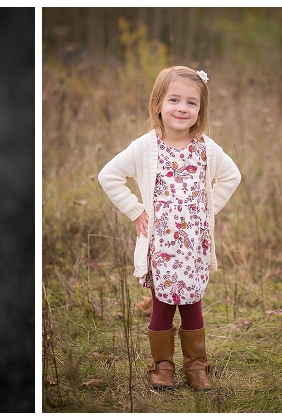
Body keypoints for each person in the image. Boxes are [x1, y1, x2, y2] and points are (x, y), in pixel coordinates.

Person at [98, 66, 240, 391]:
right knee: (162, 305)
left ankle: (197, 367)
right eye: (174, 99)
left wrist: (208, 210)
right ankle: (162, 367)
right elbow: (110, 175)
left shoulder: (206, 149)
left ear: (200, 110)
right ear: (157, 103)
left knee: (192, 306)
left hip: (193, 248)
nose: (182, 108)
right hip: (160, 248)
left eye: (191, 102)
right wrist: (136, 211)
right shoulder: (145, 148)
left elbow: (232, 176)